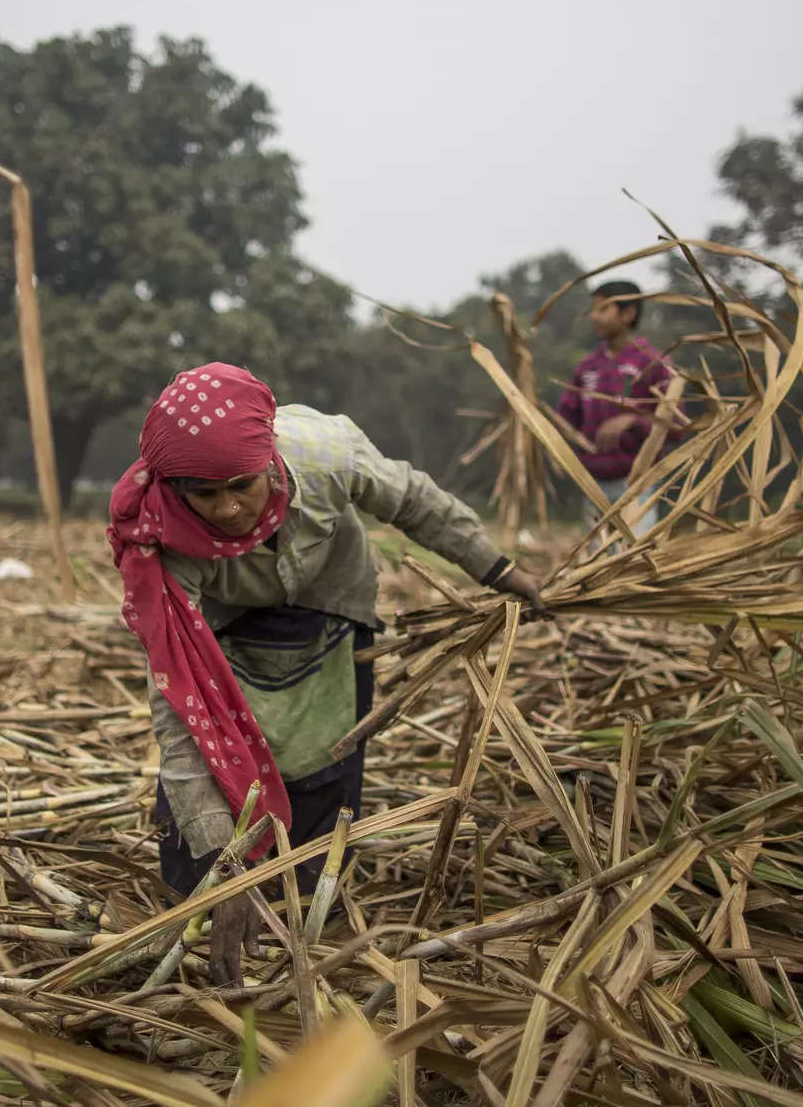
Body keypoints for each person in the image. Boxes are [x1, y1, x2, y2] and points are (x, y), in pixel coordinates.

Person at [109, 362, 542, 985]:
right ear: (173, 487)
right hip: (227, 622)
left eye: (241, 485)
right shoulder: (161, 540)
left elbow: (418, 503)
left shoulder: (327, 455)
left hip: (332, 597)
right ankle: (205, 892)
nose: (227, 508)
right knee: (218, 747)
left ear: (269, 463)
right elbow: (179, 708)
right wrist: (222, 860)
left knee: (325, 752)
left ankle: (309, 909)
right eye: (203, 494)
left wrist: (499, 572)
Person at [556, 280, 682, 538]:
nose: (594, 316)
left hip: (637, 485)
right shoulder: (587, 367)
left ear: (628, 314)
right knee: (597, 561)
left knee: (631, 559)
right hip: (593, 485)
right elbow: (565, 419)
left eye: (603, 309)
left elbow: (676, 426)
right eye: (594, 309)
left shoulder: (654, 363)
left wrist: (633, 420)